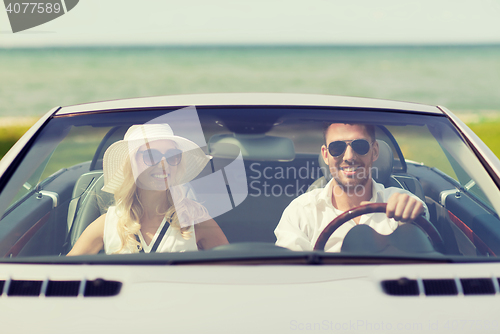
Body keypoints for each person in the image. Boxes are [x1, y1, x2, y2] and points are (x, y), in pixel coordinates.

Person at [68, 123, 228, 255]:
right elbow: (63, 274)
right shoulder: (107, 224)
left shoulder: (195, 219)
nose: (164, 163)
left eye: (173, 155)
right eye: (151, 156)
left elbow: (234, 270)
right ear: (131, 164)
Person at [275, 123, 428, 252]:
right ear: (325, 155)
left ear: (374, 151)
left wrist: (413, 214)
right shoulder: (301, 211)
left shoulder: (400, 202)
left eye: (360, 146)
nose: (349, 157)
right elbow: (290, 272)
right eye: (337, 147)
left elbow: (422, 254)